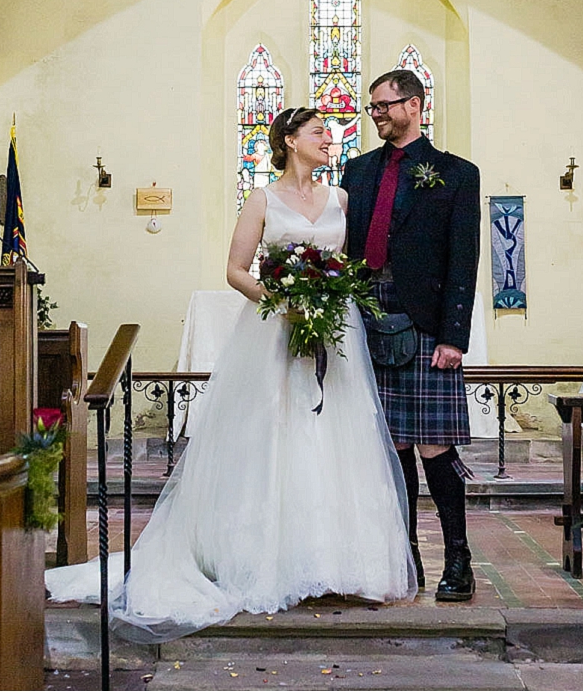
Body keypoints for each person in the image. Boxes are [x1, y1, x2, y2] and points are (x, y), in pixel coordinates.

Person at [45, 107, 416, 636]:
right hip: (274, 331)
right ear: (290, 141)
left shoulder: (342, 200)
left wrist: (330, 294)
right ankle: (268, 559)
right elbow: (236, 269)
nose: (328, 141)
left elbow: (354, 263)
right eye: (318, 134)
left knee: (338, 433)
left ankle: (341, 563)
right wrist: (282, 300)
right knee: (275, 433)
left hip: (336, 332)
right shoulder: (263, 200)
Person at [342, 68, 482, 602]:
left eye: (384, 105)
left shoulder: (456, 174)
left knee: (434, 445)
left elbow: (463, 259)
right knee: (392, 444)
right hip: (368, 320)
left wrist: (454, 336)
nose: (376, 113)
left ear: (415, 105)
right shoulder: (357, 172)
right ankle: (405, 554)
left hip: (426, 326)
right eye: (372, 106)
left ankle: (457, 556)